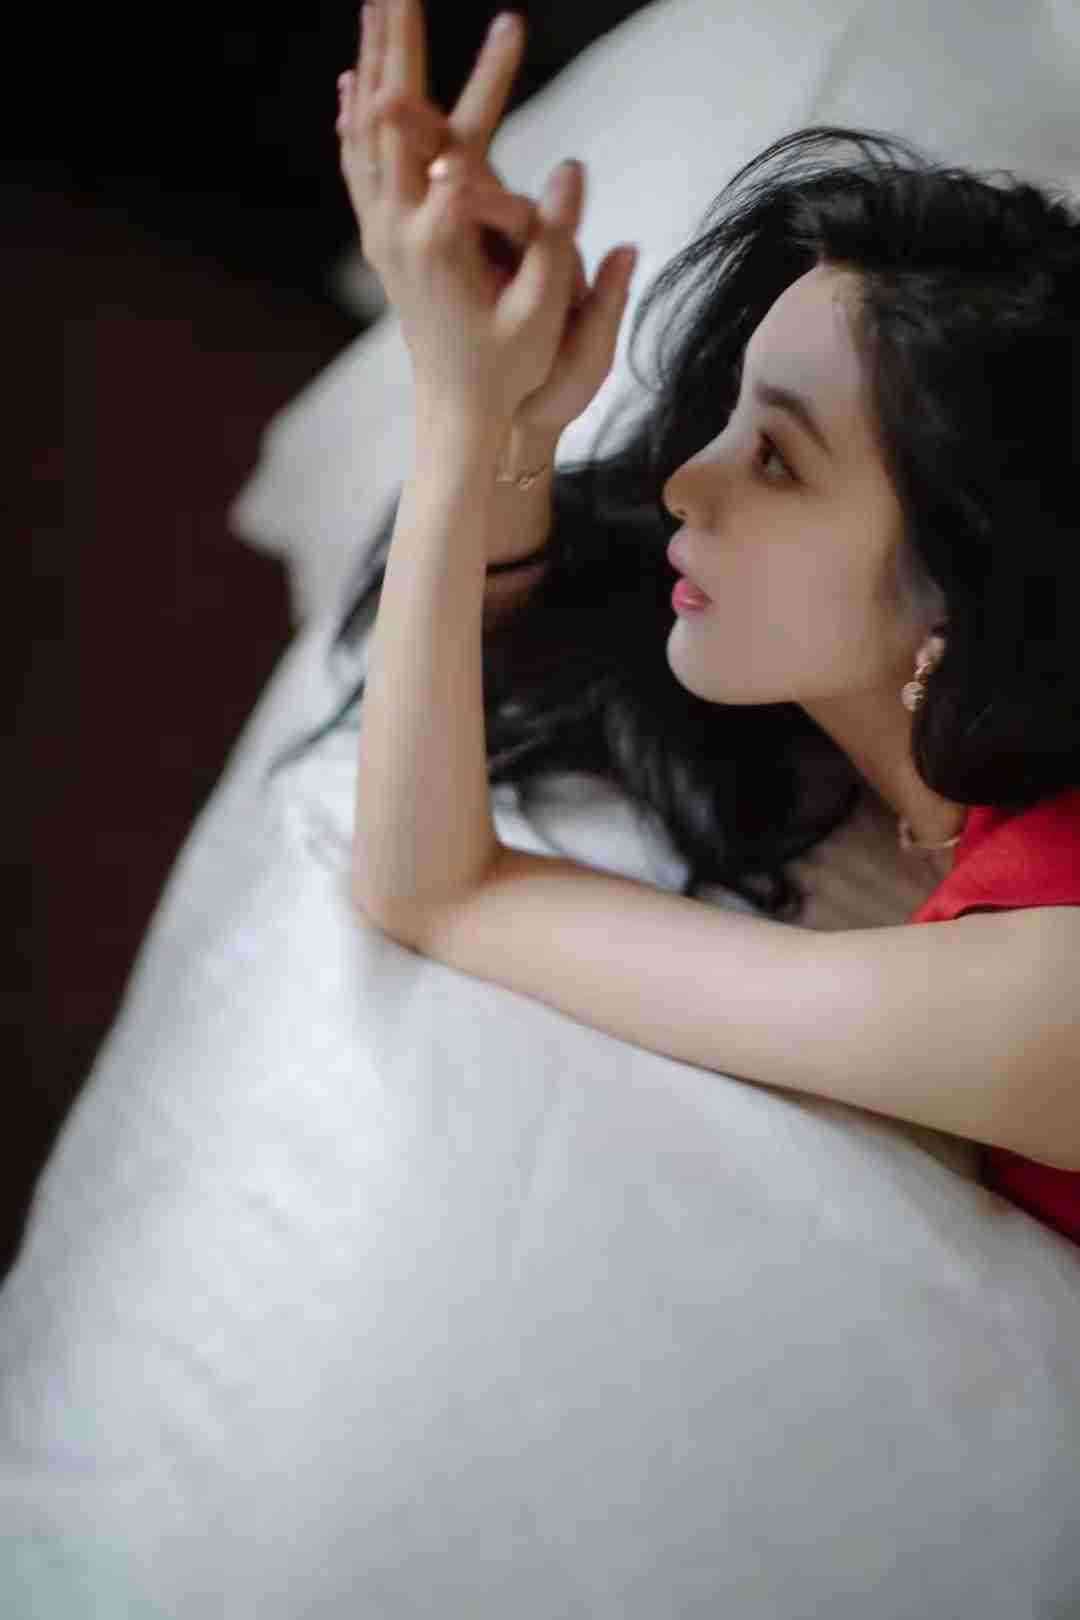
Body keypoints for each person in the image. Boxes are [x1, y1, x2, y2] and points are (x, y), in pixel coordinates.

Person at [269, 6, 1080, 1242]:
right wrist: (515, 423)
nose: (684, 482)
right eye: (729, 419)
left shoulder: (1044, 992)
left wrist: (459, 414)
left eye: (777, 458)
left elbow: (434, 890)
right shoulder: (954, 790)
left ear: (962, 597)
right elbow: (502, 662)